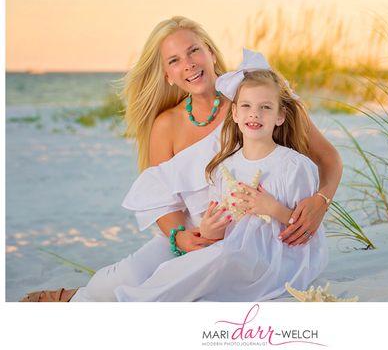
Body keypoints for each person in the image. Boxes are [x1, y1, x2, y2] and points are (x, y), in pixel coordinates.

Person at [20, 16, 341, 302]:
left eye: (193, 51)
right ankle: (75, 299)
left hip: (252, 232)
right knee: (127, 275)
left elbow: (328, 157)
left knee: (195, 281)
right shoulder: (166, 125)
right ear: (168, 75)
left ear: (211, 53)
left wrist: (321, 199)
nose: (188, 63)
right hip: (198, 232)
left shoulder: (255, 99)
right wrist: (179, 237)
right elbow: (160, 199)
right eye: (174, 60)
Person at [113, 62, 327, 301]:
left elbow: (307, 230)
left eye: (265, 107)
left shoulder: (293, 166)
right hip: (234, 250)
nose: (254, 114)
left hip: (280, 258)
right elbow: (222, 224)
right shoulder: (224, 168)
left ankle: (138, 302)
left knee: (222, 260)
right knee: (183, 267)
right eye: (246, 106)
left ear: (280, 116)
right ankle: (137, 300)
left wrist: (272, 208)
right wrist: (208, 230)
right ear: (234, 113)